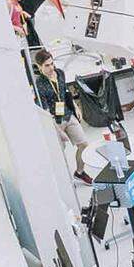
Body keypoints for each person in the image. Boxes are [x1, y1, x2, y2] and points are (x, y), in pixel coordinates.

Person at [32, 49, 93, 185]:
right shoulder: (40, 84)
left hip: (67, 114)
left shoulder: (60, 73)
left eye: (52, 64)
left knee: (84, 145)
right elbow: (46, 112)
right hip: (54, 121)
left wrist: (75, 107)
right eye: (47, 66)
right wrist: (59, 131)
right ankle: (64, 182)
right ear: (39, 66)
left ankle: (80, 172)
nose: (51, 68)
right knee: (59, 154)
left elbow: (65, 92)